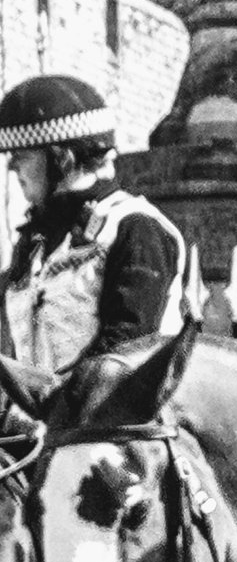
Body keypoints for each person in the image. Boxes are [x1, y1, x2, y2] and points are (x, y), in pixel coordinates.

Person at [0, 74, 186, 380]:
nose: (11, 167)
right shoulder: (36, 240)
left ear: (63, 159)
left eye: (22, 156)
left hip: (122, 407)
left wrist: (54, 399)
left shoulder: (134, 228)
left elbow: (125, 349)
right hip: (50, 410)